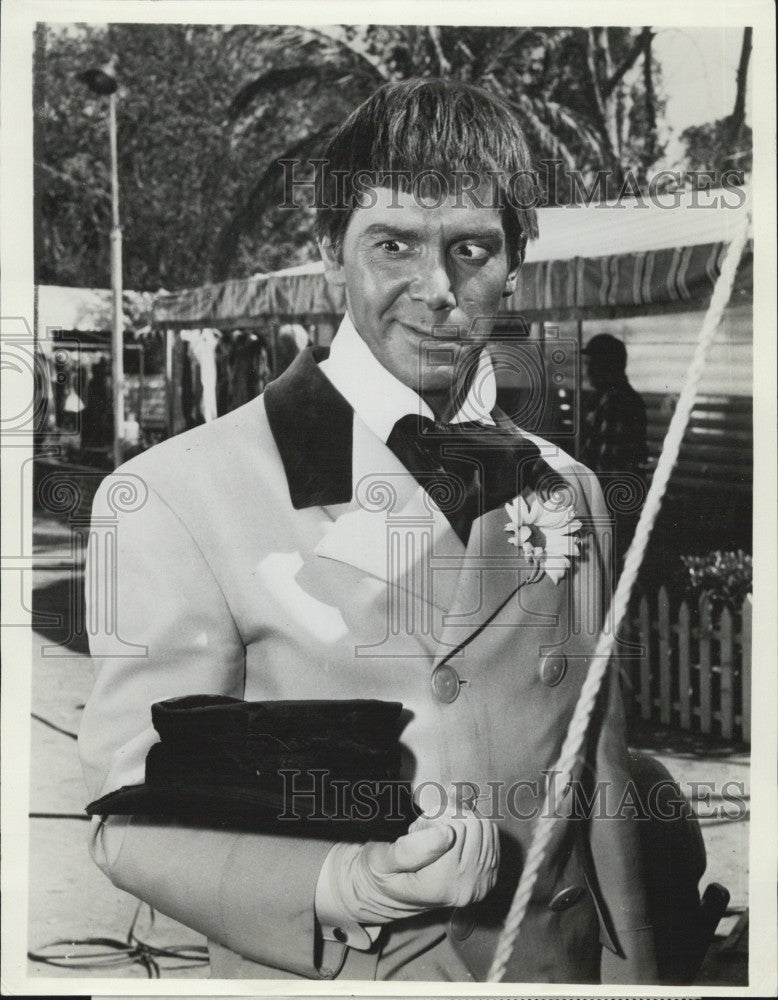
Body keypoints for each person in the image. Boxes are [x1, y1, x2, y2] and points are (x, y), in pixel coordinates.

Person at [79, 79, 658, 984]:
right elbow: (130, 814)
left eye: (473, 248)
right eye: (394, 244)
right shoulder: (173, 495)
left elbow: (605, 785)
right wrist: (344, 881)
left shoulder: (568, 488)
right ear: (328, 255)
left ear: (513, 265)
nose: (437, 291)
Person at [579, 333, 648, 561]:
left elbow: (606, 468)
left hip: (610, 509)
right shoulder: (604, 399)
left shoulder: (617, 402)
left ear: (608, 366)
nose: (587, 372)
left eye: (593, 365)